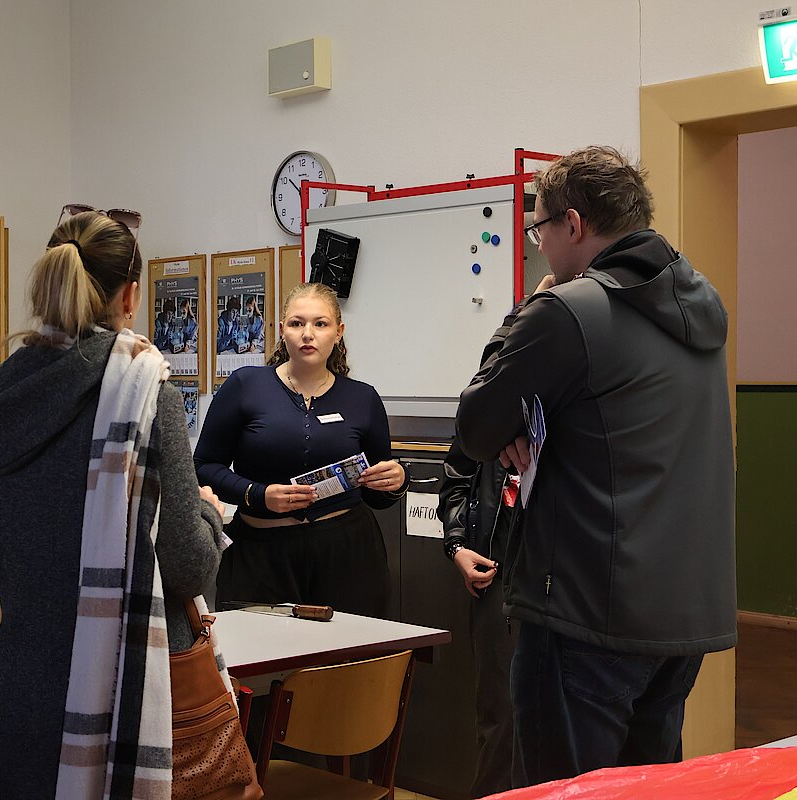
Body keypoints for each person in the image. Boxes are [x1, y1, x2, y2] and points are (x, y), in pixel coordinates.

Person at [454, 146, 736, 787]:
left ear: (573, 224)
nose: (540, 247)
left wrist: (525, 311)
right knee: (645, 788)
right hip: (680, 613)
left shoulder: (566, 310)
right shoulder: (698, 305)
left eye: (539, 230)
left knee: (562, 789)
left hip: (585, 610)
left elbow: (474, 426)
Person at [0, 209, 225, 799]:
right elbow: (188, 564)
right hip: (130, 688)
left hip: (26, 691)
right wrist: (206, 512)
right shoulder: (145, 393)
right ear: (130, 295)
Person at [194, 282, 408, 617]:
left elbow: (377, 496)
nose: (308, 333)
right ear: (282, 330)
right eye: (297, 323)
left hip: (347, 555)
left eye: (320, 324)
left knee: (349, 649)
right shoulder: (245, 385)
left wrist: (397, 481)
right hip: (261, 556)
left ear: (338, 332)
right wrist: (258, 494)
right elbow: (204, 467)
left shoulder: (363, 398)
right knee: (257, 648)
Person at [439, 441, 520, 798]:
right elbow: (457, 477)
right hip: (498, 570)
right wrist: (457, 543)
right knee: (501, 717)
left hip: (568, 578)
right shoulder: (490, 406)